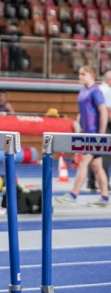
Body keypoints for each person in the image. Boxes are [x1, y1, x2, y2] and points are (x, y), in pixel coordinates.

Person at [56, 66, 109, 206]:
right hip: (86, 133)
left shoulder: (95, 91)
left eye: (83, 74)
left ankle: (73, 195)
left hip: (94, 134)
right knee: (97, 166)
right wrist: (78, 128)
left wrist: (101, 135)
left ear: (91, 76)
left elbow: (103, 111)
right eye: (79, 74)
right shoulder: (83, 92)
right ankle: (104, 198)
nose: (79, 76)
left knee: (84, 162)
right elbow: (82, 112)